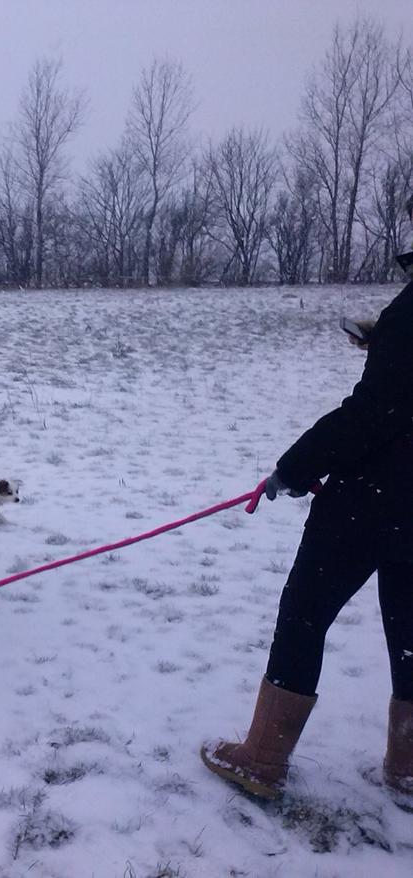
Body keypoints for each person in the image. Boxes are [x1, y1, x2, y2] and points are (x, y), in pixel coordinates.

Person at [201, 194, 413, 803]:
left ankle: (262, 760)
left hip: (375, 496)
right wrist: (384, 342)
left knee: (304, 612)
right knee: (410, 622)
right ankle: (408, 766)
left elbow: (374, 413)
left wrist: (294, 468)